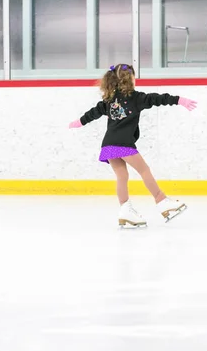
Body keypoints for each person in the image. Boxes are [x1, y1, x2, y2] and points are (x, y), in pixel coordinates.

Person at [68, 63, 197, 228]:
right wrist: (179, 100)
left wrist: (77, 123)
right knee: (144, 170)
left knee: (122, 176)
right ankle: (161, 200)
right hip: (123, 144)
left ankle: (125, 211)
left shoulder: (108, 100)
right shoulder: (136, 98)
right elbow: (157, 99)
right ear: (131, 79)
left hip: (108, 145)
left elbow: (92, 113)